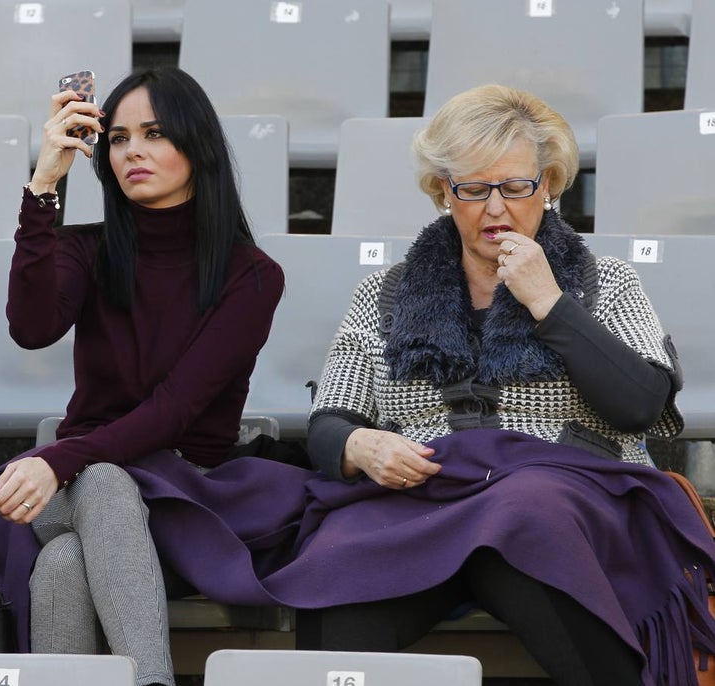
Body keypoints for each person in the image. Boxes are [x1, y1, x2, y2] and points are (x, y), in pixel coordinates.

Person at [298, 84, 715, 685]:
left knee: (524, 518)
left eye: (516, 186)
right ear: (444, 191)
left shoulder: (606, 285)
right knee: (333, 561)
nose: (496, 207)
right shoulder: (384, 296)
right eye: (473, 187)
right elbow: (330, 419)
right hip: (427, 503)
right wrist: (360, 446)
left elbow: (641, 406)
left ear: (547, 186)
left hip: (564, 501)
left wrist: (550, 302)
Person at [0, 67, 290, 686]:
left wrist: (58, 460)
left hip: (182, 492)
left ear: (197, 147)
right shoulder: (86, 249)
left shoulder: (251, 276)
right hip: (73, 484)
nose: (133, 151)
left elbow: (174, 411)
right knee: (104, 483)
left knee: (64, 564)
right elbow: (31, 328)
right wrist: (44, 185)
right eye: (117, 138)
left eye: (154, 134)